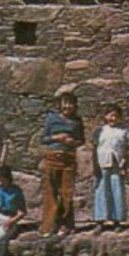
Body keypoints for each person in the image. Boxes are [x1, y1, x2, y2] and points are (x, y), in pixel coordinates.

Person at [39, 92, 84, 235]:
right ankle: (49, 225)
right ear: (60, 104)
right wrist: (56, 137)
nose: (68, 106)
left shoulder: (77, 121)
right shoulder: (51, 119)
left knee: (67, 192)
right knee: (51, 192)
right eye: (65, 103)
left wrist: (73, 142)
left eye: (71, 103)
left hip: (68, 158)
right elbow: (43, 139)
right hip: (52, 157)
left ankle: (66, 224)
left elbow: (81, 140)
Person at [90, 104, 129, 230]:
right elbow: (94, 149)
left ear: (120, 117)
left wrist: (125, 164)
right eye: (110, 115)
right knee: (101, 191)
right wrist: (95, 166)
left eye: (116, 116)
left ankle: (117, 220)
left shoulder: (124, 131)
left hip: (118, 165)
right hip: (102, 164)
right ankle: (100, 220)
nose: (113, 118)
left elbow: (128, 149)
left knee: (117, 191)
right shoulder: (100, 131)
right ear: (105, 116)